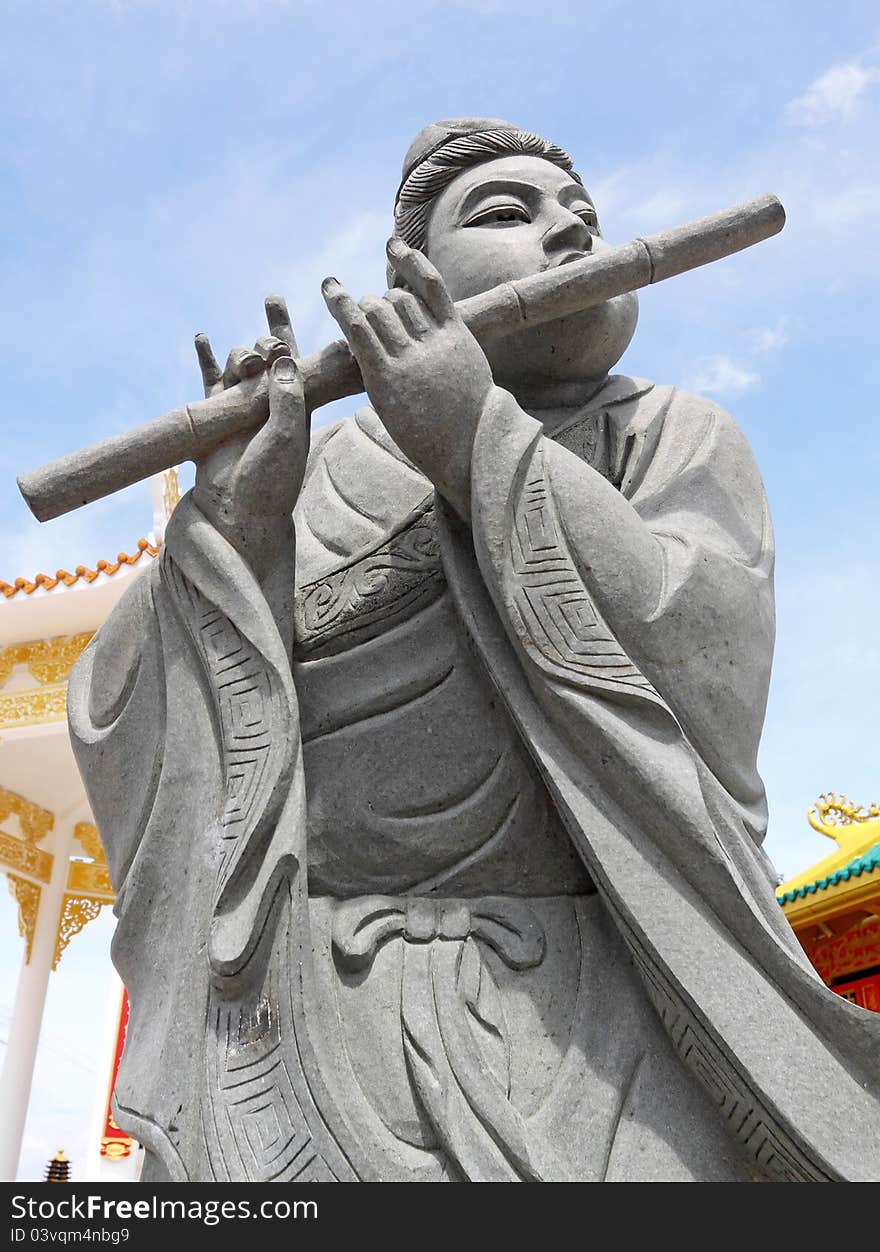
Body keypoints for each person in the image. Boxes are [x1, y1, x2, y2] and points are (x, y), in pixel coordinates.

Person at [68, 118, 880, 1183]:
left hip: (606, 1003)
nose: (566, 228)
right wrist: (235, 536)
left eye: (580, 213)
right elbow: (129, 719)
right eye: (508, 212)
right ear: (409, 278)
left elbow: (702, 660)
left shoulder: (670, 433)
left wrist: (479, 439)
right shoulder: (316, 464)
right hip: (323, 1008)